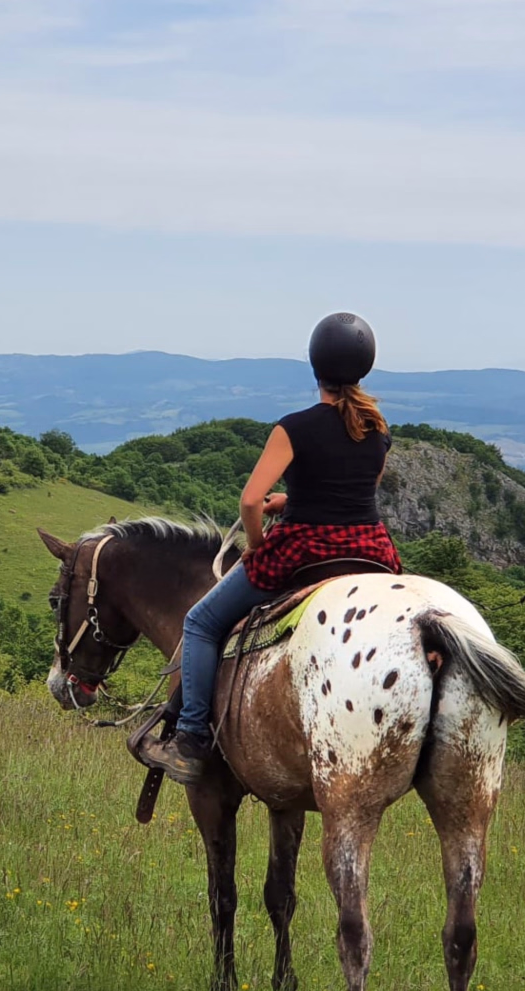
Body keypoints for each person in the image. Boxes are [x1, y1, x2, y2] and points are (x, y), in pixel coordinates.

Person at [137, 311, 404, 785]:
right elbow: (355, 492)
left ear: (314, 365)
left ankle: (192, 738)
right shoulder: (377, 429)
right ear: (364, 367)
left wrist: (256, 547)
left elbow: (249, 501)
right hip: (370, 549)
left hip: (303, 548)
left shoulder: (293, 428)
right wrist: (295, 498)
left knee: (199, 622)